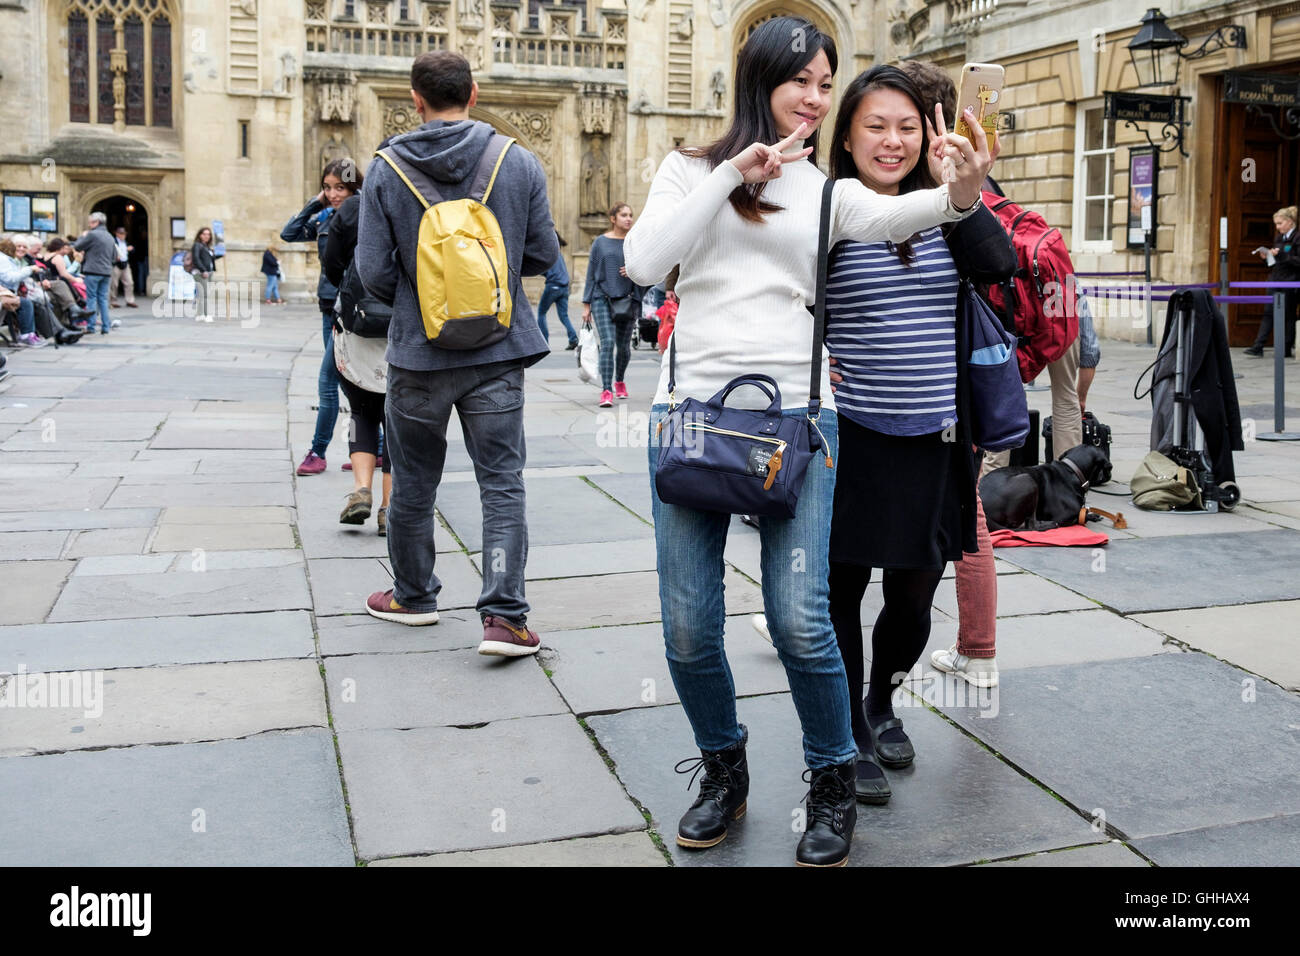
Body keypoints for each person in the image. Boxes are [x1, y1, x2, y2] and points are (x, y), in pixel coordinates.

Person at [624, 16, 993, 866]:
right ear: (761, 80)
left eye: (828, 84)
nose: (818, 98)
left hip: (798, 423)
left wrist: (962, 191)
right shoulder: (688, 169)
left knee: (801, 621)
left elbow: (911, 217)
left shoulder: (828, 191)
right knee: (687, 625)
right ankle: (724, 767)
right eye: (805, 81)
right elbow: (646, 263)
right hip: (689, 417)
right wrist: (731, 178)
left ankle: (831, 776)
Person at [820, 65, 1010, 808]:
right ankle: (847, 732)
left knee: (912, 600)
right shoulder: (829, 211)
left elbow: (1001, 266)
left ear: (929, 133)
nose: (892, 141)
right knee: (840, 593)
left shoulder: (949, 209)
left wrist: (962, 193)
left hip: (936, 439)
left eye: (908, 126)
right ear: (847, 136)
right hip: (851, 439)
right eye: (876, 125)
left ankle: (881, 700)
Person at [356, 50, 559, 657]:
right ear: (474, 92)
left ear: (414, 99)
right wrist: (488, 285)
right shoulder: (517, 162)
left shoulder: (386, 169)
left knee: (415, 483)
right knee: (501, 483)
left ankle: (413, 596)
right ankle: (504, 617)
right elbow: (545, 255)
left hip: (418, 359)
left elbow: (370, 273)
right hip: (497, 353)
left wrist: (426, 305)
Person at [321, 174, 393, 535]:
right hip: (404, 328)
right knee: (399, 419)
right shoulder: (419, 200)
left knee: (362, 411)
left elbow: (331, 264)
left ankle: (361, 490)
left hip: (358, 325)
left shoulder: (353, 209)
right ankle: (388, 510)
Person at [282, 158, 360, 475]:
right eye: (328, 188)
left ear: (354, 186)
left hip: (348, 310)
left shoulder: (361, 218)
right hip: (327, 308)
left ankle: (318, 451)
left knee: (328, 382)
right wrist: (314, 203)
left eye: (340, 187)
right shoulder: (325, 217)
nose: (333, 194)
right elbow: (289, 234)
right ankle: (375, 447)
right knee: (348, 382)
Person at [582, 202, 641, 407]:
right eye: (624, 215)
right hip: (602, 298)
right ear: (613, 219)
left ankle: (620, 381)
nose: (628, 218)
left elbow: (650, 272)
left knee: (623, 347)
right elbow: (591, 273)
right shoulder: (600, 242)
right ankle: (606, 390)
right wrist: (586, 304)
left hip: (627, 300)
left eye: (630, 214)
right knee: (607, 342)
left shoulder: (636, 242)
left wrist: (633, 270)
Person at [1245, 205, 1299, 358]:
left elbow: (1297, 260)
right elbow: (1276, 261)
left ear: (1290, 222)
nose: (1277, 227)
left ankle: (1286, 347)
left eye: (1280, 223)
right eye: (1276, 224)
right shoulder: (1278, 238)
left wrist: (1281, 254)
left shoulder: (1297, 237)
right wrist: (1268, 256)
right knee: (1268, 312)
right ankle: (1258, 346)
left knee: (1288, 314)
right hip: (1275, 279)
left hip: (1290, 281)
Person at [73, 211, 116, 334]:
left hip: (92, 271)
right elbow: (114, 257)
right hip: (106, 272)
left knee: (91, 299)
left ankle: (91, 327)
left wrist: (83, 236)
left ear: (97, 222)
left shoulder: (92, 235)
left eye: (91, 222)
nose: (89, 224)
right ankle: (106, 327)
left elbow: (77, 246)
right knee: (103, 299)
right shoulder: (110, 236)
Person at [537, 233, 579, 349]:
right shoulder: (559, 255)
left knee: (541, 313)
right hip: (564, 288)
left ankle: (544, 342)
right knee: (564, 315)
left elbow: (543, 269)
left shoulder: (549, 254)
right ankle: (573, 338)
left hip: (553, 286)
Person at [190, 226, 217, 322]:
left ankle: (199, 314)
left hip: (208, 272)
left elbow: (210, 259)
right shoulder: (197, 245)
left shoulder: (206, 246)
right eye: (204, 234)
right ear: (200, 235)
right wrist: (203, 270)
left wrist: (220, 253)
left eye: (208, 234)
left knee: (202, 294)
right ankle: (206, 315)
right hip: (200, 273)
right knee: (205, 294)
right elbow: (196, 259)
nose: (207, 236)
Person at [110, 226, 137, 308]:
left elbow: (132, 250)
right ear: (117, 234)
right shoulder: (113, 242)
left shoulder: (126, 242)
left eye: (124, 234)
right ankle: (113, 301)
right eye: (121, 234)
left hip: (125, 263)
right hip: (116, 264)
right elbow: (110, 252)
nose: (123, 235)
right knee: (114, 284)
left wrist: (131, 249)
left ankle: (130, 300)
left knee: (129, 282)